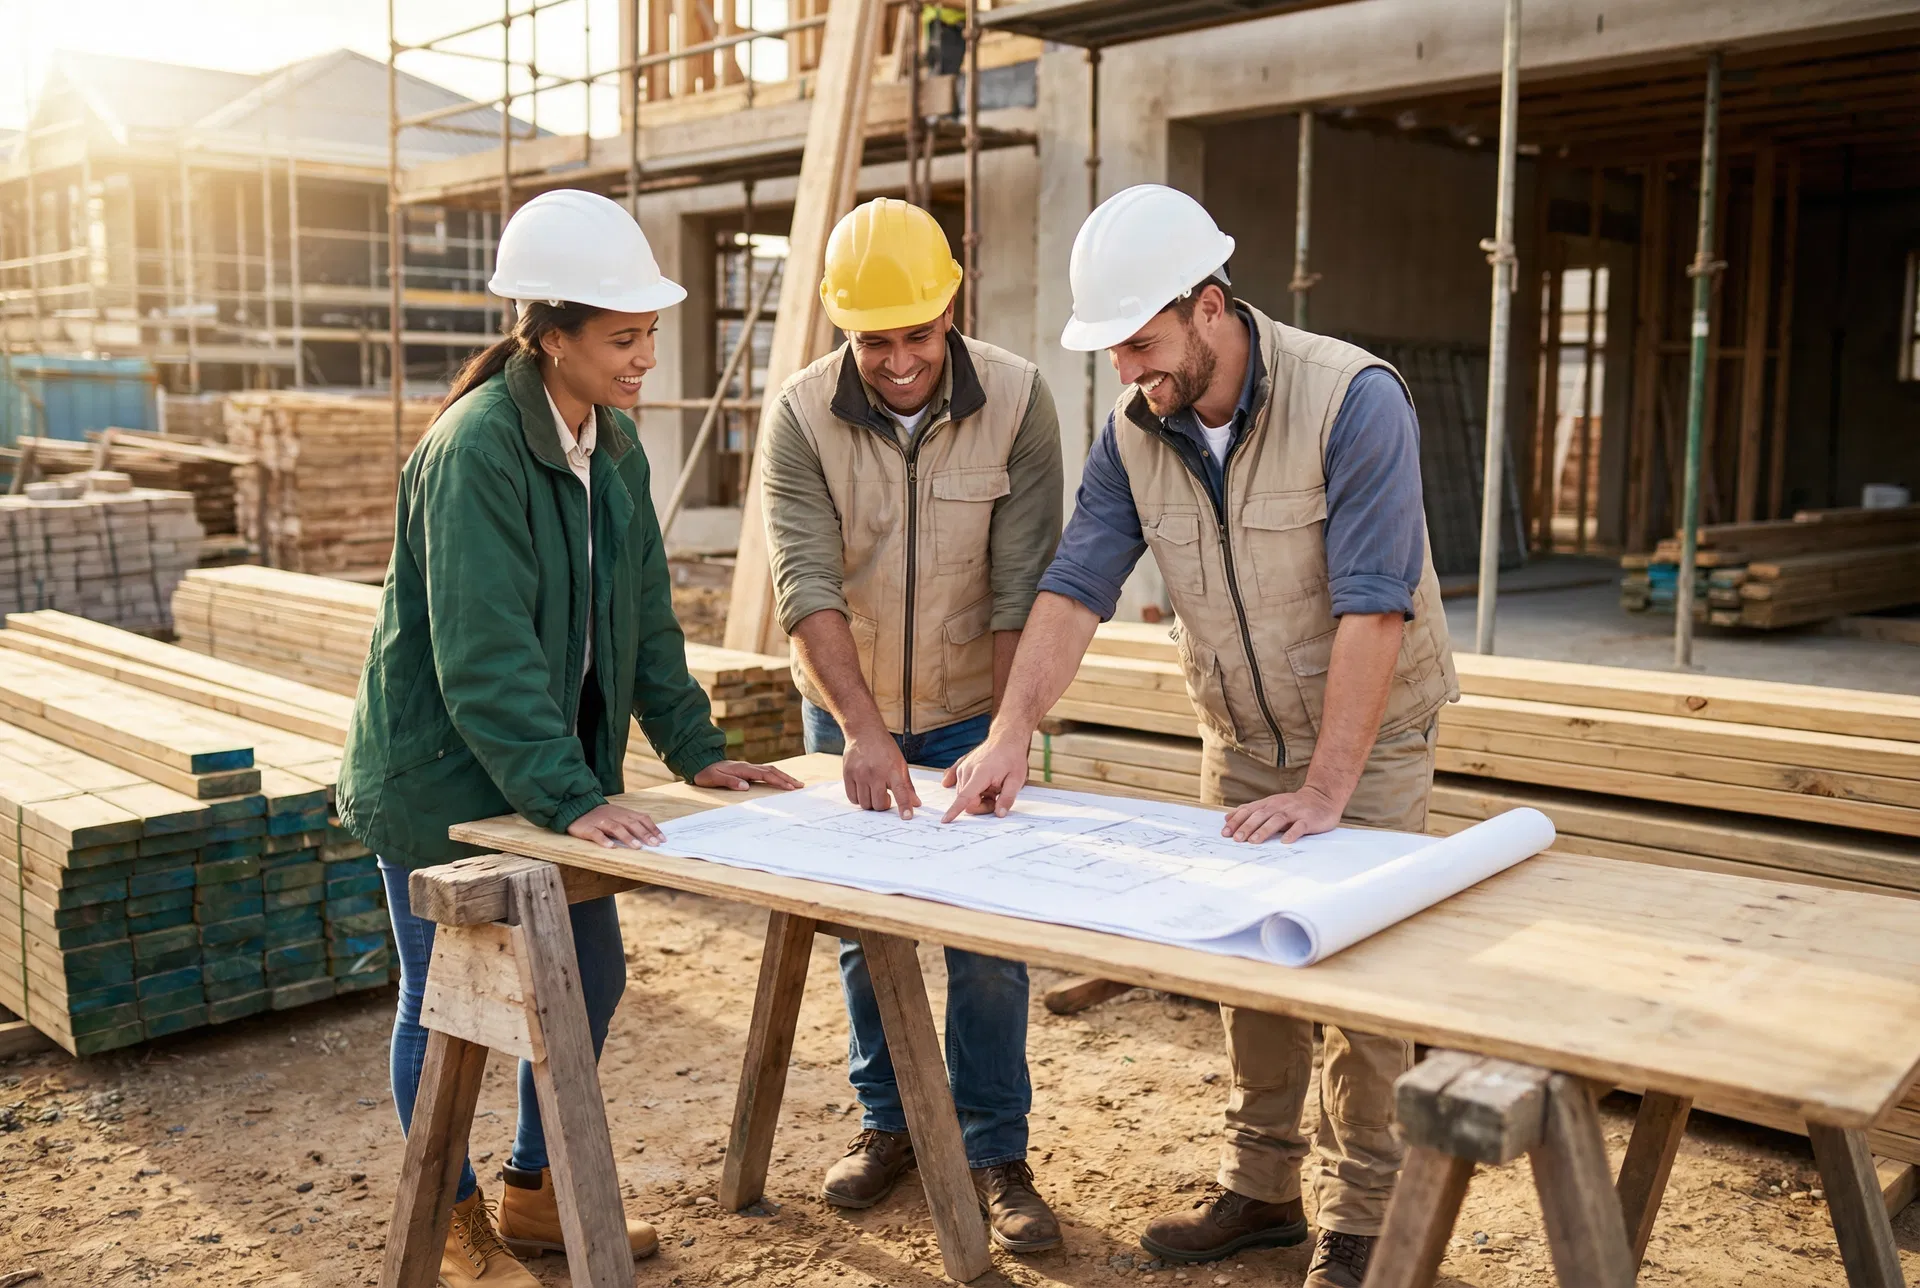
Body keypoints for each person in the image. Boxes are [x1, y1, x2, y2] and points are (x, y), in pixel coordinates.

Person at [941, 184, 1458, 1288]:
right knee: (1250, 967)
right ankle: (1264, 1188)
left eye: (1141, 343)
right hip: (1241, 731)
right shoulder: (1136, 434)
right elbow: (1076, 587)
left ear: (1210, 304)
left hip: (1369, 739)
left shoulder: (1354, 400)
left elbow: (1376, 605)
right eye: (1116, 351)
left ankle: (1363, 1219)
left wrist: (1326, 793)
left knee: (1357, 979)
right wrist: (1009, 734)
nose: (1128, 371)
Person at [337, 188, 800, 1288]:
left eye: (648, 336)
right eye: (622, 339)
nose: (645, 358)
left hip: (536, 776)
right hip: (436, 776)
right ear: (549, 338)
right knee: (442, 1004)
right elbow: (484, 657)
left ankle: (536, 1194)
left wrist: (697, 748)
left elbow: (644, 622)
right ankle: (445, 1223)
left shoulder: (618, 447)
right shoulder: (476, 451)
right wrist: (570, 792)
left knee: (587, 974)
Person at [758, 197, 1066, 1251]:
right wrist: (861, 726)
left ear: (951, 305)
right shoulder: (799, 413)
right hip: (850, 709)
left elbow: (1023, 588)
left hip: (978, 707)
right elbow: (805, 587)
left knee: (989, 941)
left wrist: (998, 730)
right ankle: (889, 1124)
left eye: (916, 335)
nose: (897, 361)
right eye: (872, 339)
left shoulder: (1022, 400)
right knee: (864, 929)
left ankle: (993, 1148)